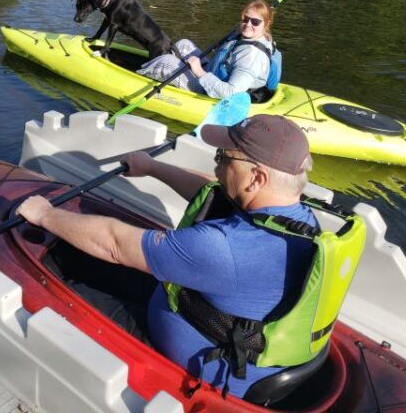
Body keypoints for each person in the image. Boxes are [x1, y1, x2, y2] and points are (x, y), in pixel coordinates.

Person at [17, 114, 318, 399]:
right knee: (82, 257)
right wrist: (152, 167)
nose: (216, 166)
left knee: (53, 286)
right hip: (201, 315)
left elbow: (114, 243)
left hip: (188, 369)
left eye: (224, 158)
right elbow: (215, 194)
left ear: (256, 178)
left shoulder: (221, 248)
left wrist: (45, 214)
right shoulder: (299, 219)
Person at [137, 0, 276, 100]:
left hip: (215, 93)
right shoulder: (247, 34)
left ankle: (134, 77)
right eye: (245, 19)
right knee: (184, 44)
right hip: (215, 74)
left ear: (266, 24)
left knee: (166, 63)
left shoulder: (251, 56)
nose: (248, 24)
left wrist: (199, 72)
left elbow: (230, 93)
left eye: (255, 22)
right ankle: (162, 77)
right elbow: (247, 25)